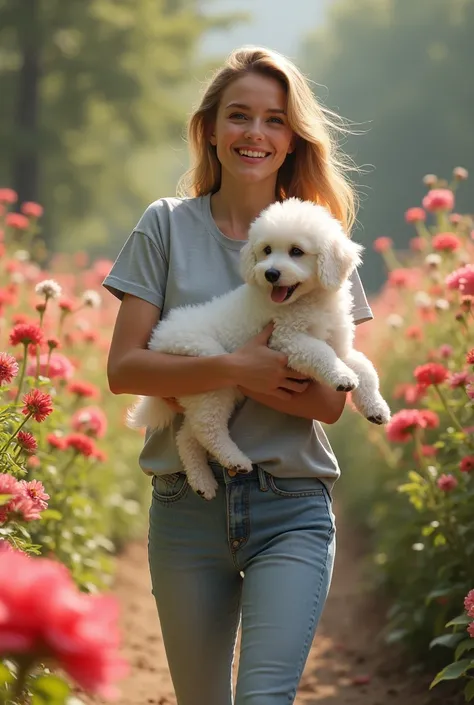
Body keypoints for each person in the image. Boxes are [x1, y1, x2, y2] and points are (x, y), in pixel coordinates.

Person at [103, 46, 373, 705]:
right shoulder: (164, 225)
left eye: (274, 120)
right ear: (211, 129)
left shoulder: (319, 238)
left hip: (292, 505)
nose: (255, 133)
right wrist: (234, 365)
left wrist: (225, 378)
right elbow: (125, 369)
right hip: (186, 510)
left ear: (292, 138)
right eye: (239, 116)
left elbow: (331, 404)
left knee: (263, 698)